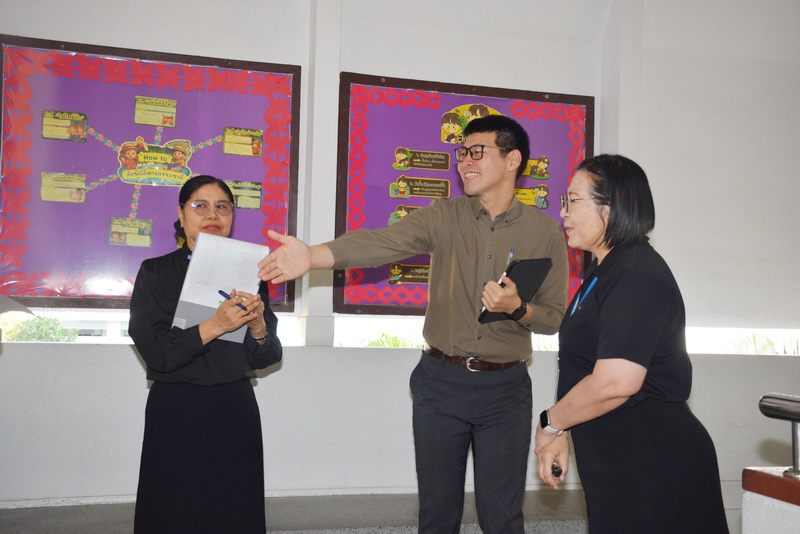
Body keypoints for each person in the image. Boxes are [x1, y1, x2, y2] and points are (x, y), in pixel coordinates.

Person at [258, 115, 568, 533]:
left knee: (502, 516)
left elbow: (553, 319)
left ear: (513, 160)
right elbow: (381, 242)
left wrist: (518, 308)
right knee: (437, 514)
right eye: (462, 152)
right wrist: (313, 255)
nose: (465, 161)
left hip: (506, 390)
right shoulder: (443, 216)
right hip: (441, 383)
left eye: (477, 152)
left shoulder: (545, 232)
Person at [533, 155, 728, 534]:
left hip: (653, 459)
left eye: (573, 201)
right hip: (619, 458)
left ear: (610, 208)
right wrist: (563, 430)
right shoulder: (604, 269)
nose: (563, 212)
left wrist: (549, 423)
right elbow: (583, 365)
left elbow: (616, 382)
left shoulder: (636, 274)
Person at [129, 175, 282, 534]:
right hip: (176, 409)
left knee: (234, 511)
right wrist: (216, 325)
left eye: (222, 207)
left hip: (234, 406)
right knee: (172, 511)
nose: (213, 214)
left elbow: (266, 357)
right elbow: (157, 354)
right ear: (182, 215)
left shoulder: (250, 274)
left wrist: (258, 326)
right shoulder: (155, 272)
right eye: (200, 206)